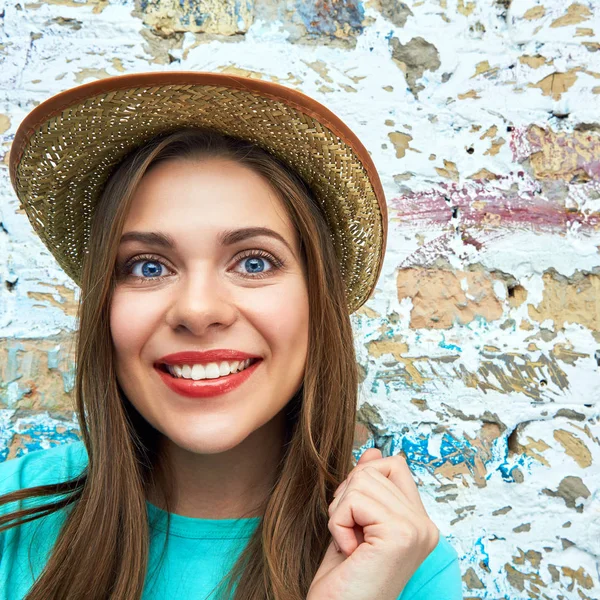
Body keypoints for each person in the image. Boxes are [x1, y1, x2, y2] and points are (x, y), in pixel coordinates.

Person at [1, 72, 463, 599]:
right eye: (148, 267)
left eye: (254, 260)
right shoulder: (10, 517)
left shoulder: (398, 567)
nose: (198, 311)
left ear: (317, 301)